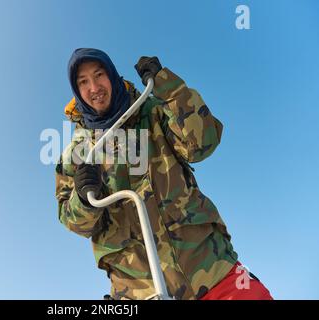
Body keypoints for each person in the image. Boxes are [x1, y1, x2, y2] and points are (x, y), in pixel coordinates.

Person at [55, 48, 273, 300]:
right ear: (77, 91)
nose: (94, 87)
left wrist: (168, 85)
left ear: (112, 75)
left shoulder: (153, 111)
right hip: (140, 291)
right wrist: (81, 200)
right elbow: (73, 222)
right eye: (83, 82)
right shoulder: (77, 154)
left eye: (99, 74)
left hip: (210, 271)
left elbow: (203, 142)